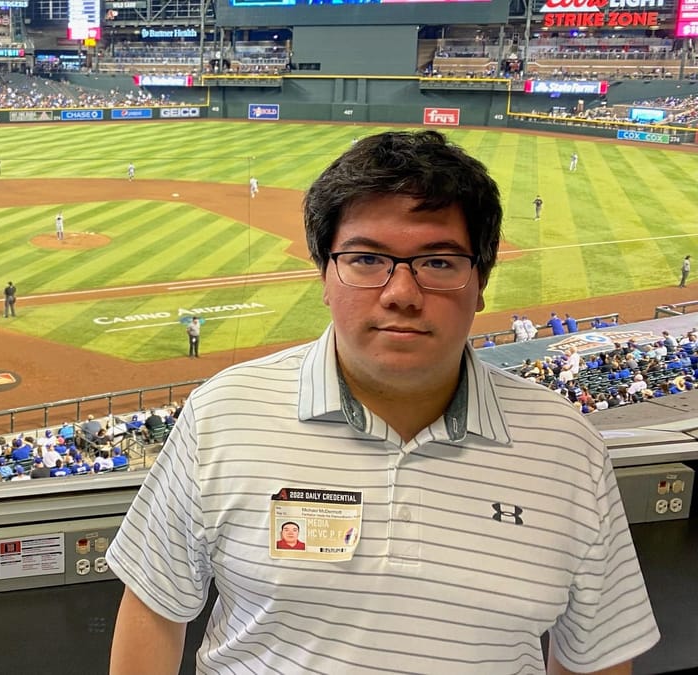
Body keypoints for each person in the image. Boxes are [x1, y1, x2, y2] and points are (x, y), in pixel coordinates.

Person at [106, 131, 658, 674]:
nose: (400, 293)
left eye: (439, 263)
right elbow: (154, 611)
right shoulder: (223, 414)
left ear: (481, 279)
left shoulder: (567, 446)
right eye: (367, 260)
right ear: (325, 274)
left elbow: (598, 654)